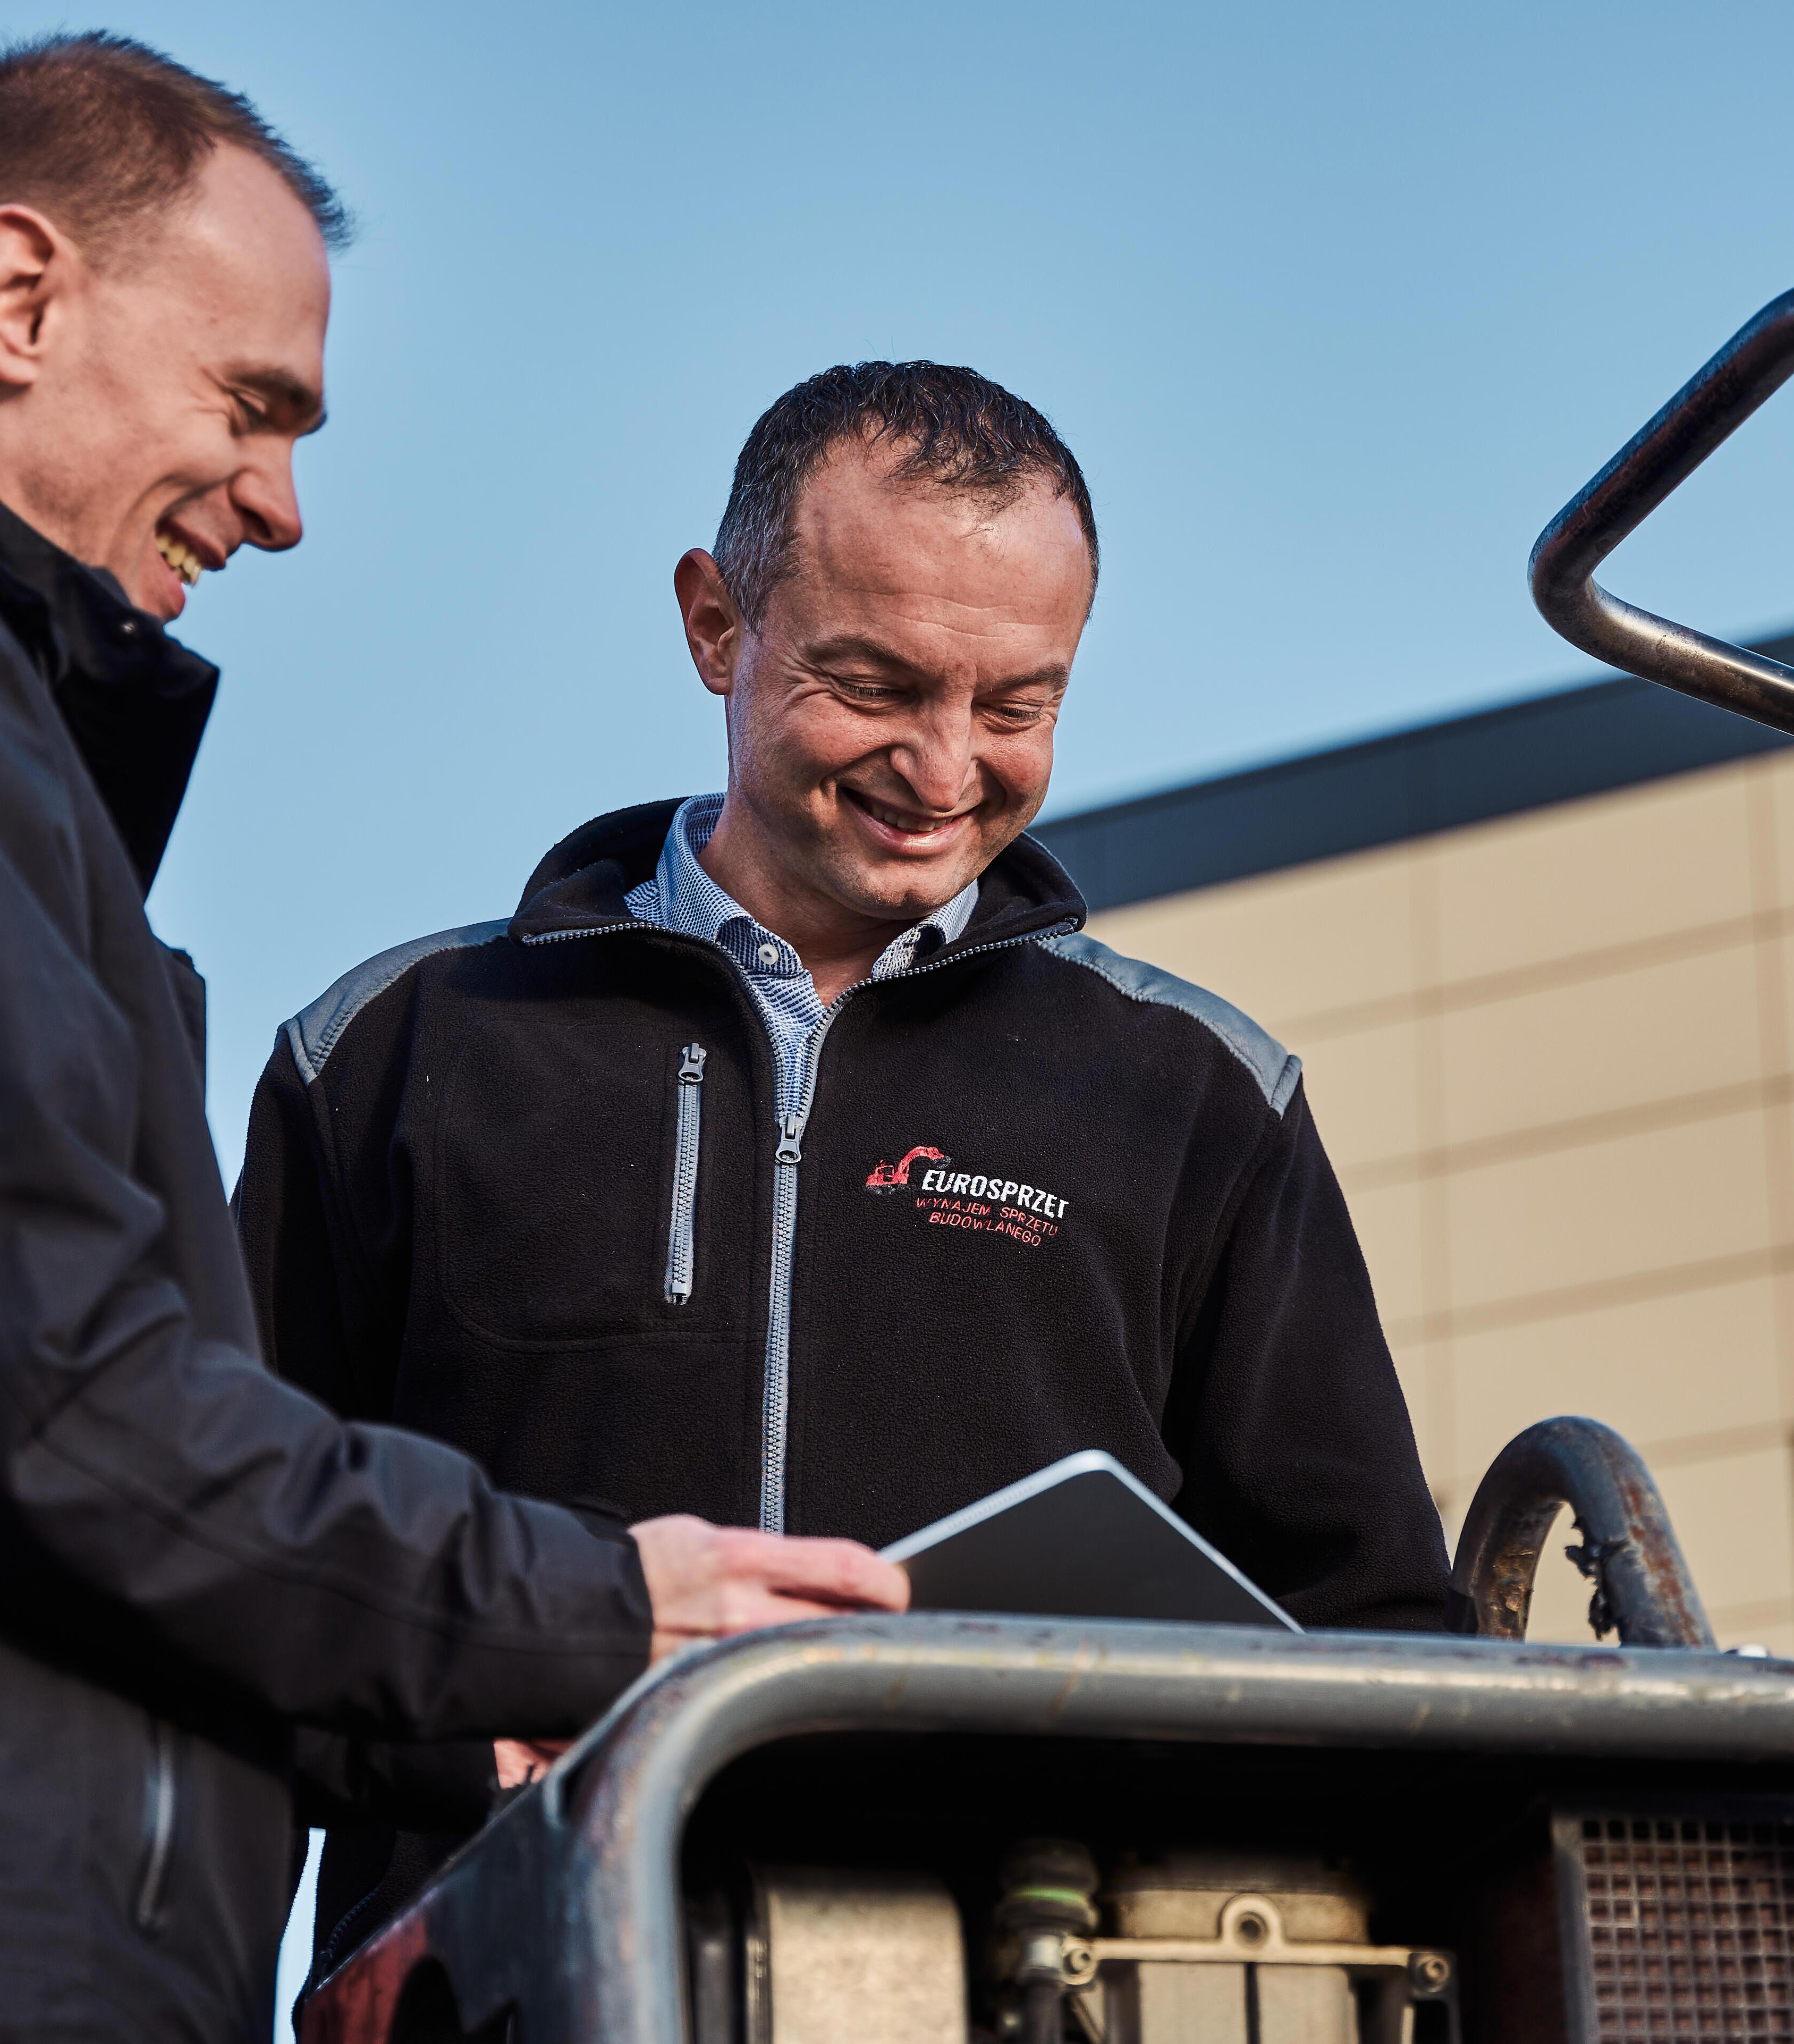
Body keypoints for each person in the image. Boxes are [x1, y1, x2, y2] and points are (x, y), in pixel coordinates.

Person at [0, 35, 898, 2043]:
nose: (282, 507)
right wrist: (593, 1610)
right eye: (253, 404)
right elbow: (9, 1376)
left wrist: (443, 1720)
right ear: (17, 298)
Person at [235, 360, 1452, 1972]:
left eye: (1016, 707)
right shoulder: (388, 1057)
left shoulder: (1199, 1098)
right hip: (509, 1993)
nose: (945, 772)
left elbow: (1377, 1645)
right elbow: (230, 1589)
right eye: (876, 686)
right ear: (715, 624)